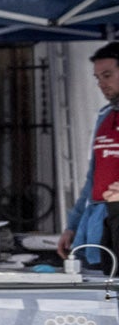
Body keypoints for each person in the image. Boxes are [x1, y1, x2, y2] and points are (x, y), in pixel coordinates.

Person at [61, 43, 119, 274]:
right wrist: (72, 227)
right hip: (100, 225)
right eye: (97, 78)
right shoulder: (104, 116)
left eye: (107, 75)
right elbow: (92, 179)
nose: (101, 84)